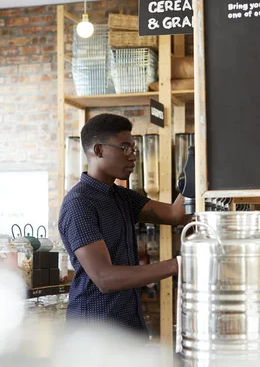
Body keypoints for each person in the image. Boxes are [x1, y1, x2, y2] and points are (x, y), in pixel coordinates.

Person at [58, 113, 191, 338]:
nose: (132, 157)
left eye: (134, 149)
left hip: (129, 329)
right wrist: (178, 264)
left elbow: (176, 214)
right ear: (98, 150)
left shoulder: (122, 197)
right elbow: (105, 278)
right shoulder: (79, 204)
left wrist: (194, 167)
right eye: (125, 148)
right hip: (96, 336)